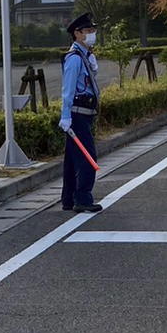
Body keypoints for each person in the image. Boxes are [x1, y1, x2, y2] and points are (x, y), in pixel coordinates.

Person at [59, 12, 102, 213]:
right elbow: (68, 90)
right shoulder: (74, 59)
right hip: (76, 114)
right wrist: (65, 115)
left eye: (92, 30)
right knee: (87, 157)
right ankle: (83, 198)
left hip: (85, 112)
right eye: (87, 31)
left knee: (72, 159)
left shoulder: (85, 56)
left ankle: (68, 199)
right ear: (77, 34)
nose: (91, 34)